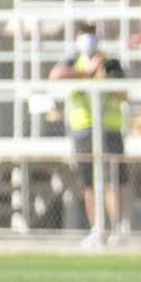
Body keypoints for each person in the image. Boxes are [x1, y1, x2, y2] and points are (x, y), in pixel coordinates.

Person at [48, 23, 129, 246]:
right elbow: (55, 76)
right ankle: (97, 230)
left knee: (112, 181)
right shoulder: (73, 62)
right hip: (83, 130)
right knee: (89, 184)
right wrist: (87, 73)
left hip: (109, 129)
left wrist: (104, 76)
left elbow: (124, 94)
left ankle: (118, 229)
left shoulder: (111, 64)